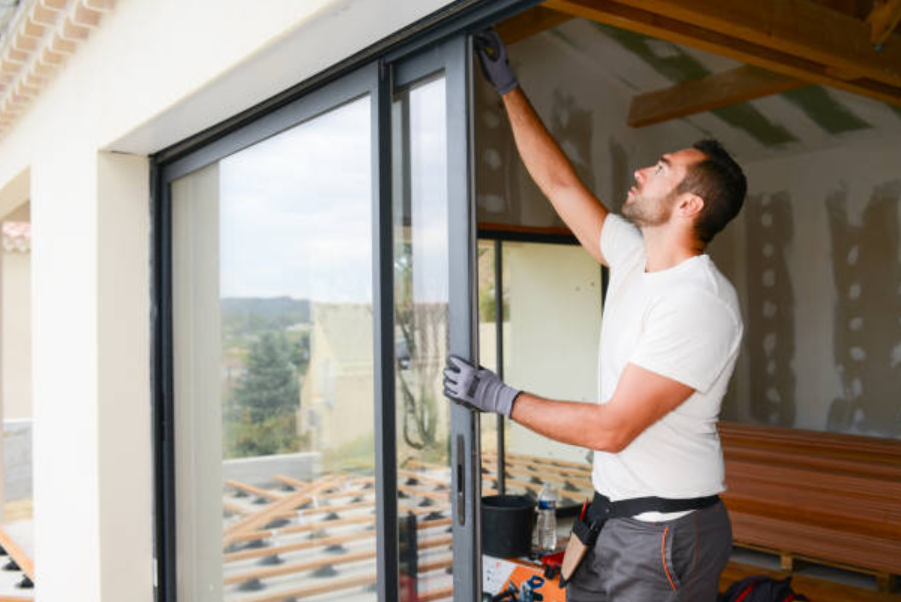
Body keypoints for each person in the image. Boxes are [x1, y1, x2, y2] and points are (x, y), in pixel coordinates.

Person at [443, 30, 747, 602]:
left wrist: (498, 398)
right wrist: (508, 89)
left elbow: (612, 428)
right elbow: (558, 184)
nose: (640, 172)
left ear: (689, 205)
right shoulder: (634, 255)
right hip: (610, 520)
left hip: (664, 536)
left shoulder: (698, 302)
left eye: (660, 168)